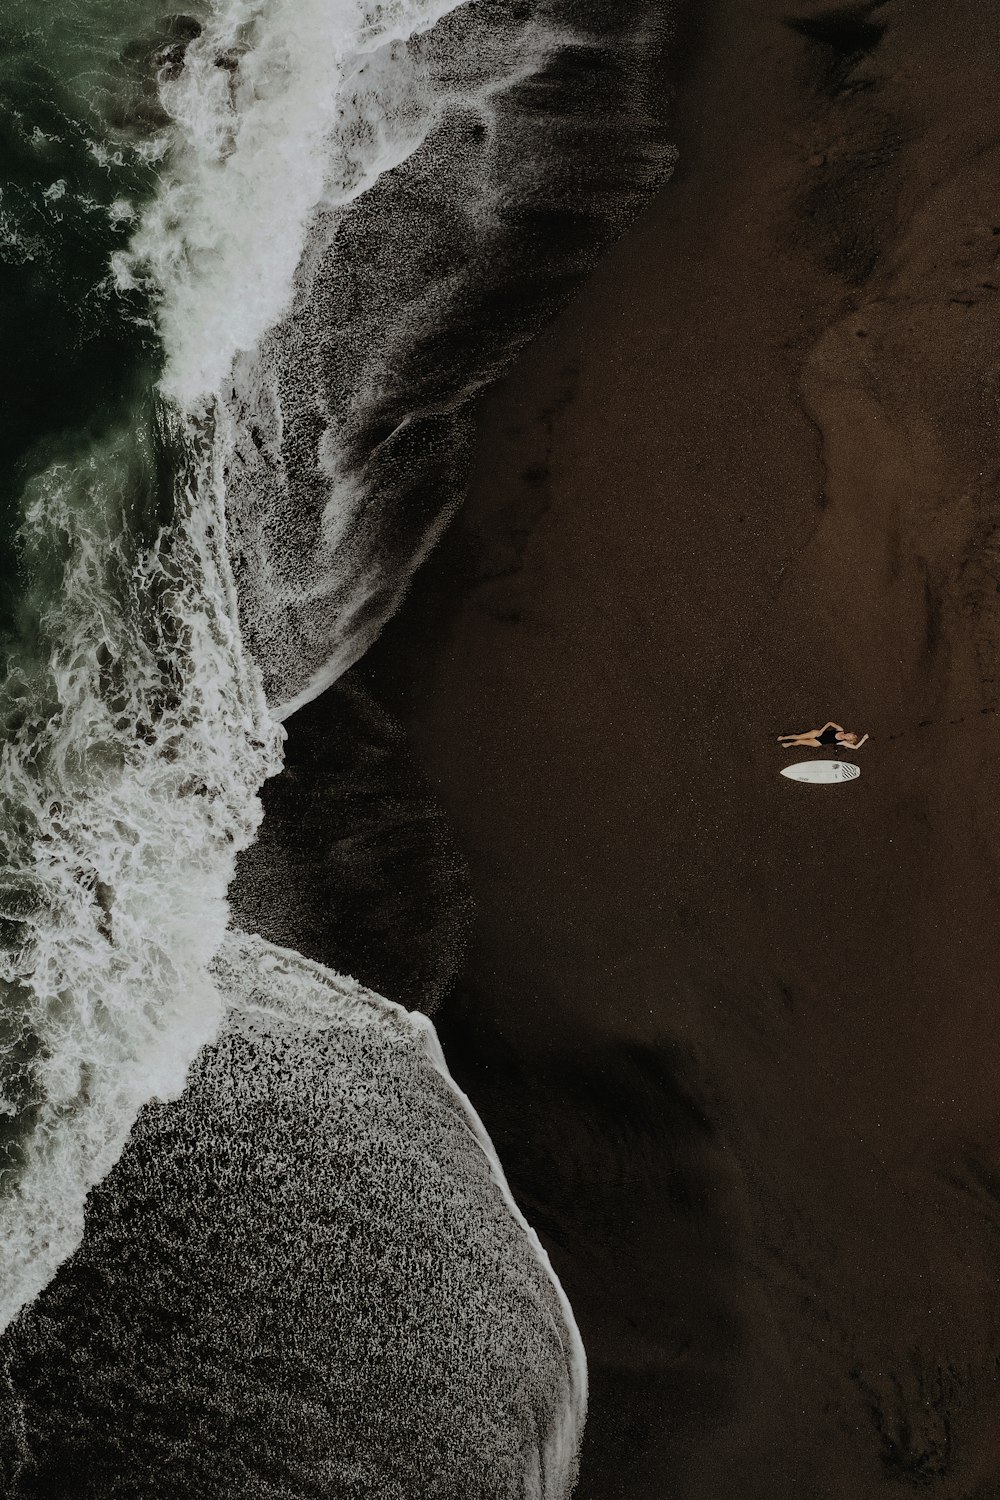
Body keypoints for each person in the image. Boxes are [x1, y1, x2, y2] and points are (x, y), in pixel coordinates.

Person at [777, 720, 869, 750]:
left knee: (799, 742)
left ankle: (789, 744)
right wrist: (822, 730)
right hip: (816, 733)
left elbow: (856, 747)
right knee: (797, 736)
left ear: (848, 741)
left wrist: (864, 739)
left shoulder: (842, 743)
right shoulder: (840, 729)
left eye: (849, 738)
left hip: (818, 742)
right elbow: (830, 723)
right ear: (849, 733)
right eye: (850, 734)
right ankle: (784, 737)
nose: (848, 736)